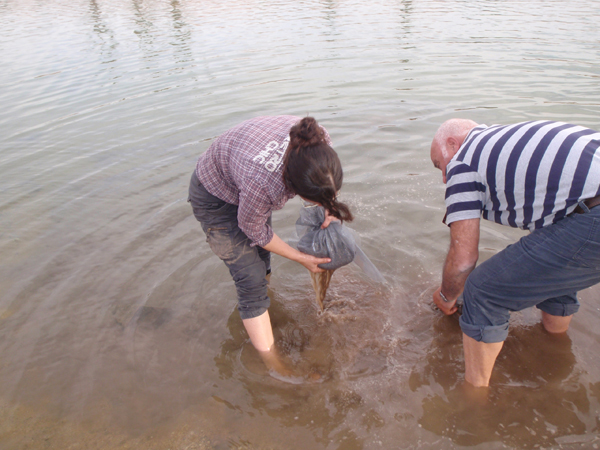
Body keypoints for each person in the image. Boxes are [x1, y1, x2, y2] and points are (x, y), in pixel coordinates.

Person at [430, 118, 600, 387]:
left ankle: (473, 400)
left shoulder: (463, 160)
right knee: (557, 263)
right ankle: (555, 346)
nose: (443, 177)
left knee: (482, 290)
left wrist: (446, 297)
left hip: (594, 214)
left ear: (452, 143)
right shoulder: (507, 138)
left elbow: (463, 259)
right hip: (586, 205)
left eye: (439, 165)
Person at [188, 115, 353, 378]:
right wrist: (302, 258)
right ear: (294, 188)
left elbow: (324, 185)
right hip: (215, 198)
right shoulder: (264, 184)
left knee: (262, 260)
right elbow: (253, 228)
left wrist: (329, 207)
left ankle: (264, 308)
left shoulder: (320, 142)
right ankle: (275, 366)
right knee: (250, 278)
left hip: (244, 178)